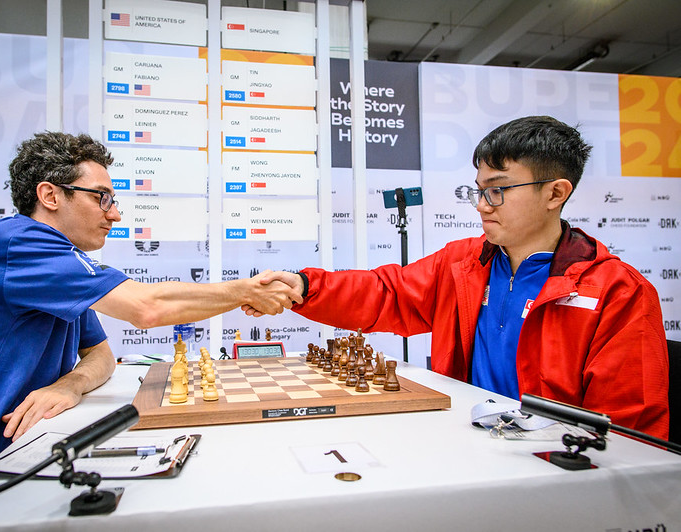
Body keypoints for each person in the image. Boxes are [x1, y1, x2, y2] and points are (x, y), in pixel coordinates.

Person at [0, 132, 302, 530]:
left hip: (13, 468)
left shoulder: (60, 267)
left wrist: (69, 385)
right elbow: (147, 308)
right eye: (100, 197)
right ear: (50, 195)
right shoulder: (16, 243)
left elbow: (101, 356)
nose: (115, 213)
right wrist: (244, 291)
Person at [250, 116, 669, 440]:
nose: (483, 205)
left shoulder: (618, 292)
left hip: (554, 472)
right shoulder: (464, 262)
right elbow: (387, 293)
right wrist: (306, 286)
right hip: (467, 446)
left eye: (498, 190)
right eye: (479, 190)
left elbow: (627, 432)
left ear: (555, 194)